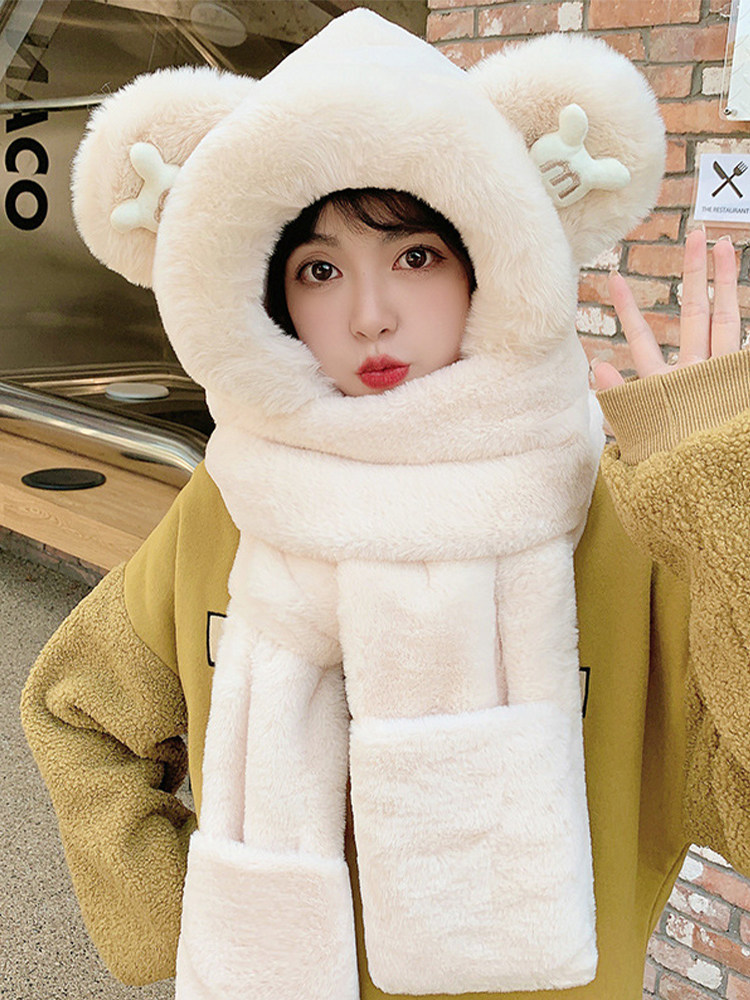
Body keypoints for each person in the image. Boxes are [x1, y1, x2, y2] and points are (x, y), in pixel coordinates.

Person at [20, 10, 750, 1000]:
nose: (370, 314)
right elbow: (76, 709)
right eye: (320, 270)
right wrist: (183, 916)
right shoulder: (238, 502)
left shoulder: (622, 517)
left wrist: (730, 508)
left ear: (487, 259)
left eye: (415, 255)